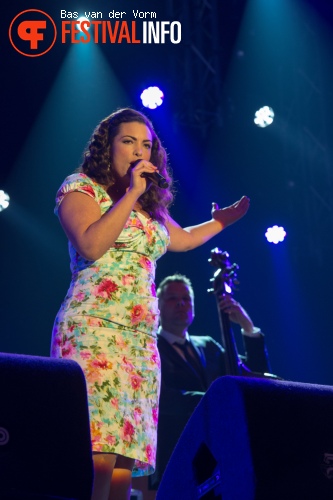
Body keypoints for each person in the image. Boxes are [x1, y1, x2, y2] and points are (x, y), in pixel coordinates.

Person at [50, 107, 250, 500]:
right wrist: (132, 194)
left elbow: (182, 239)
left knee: (127, 456)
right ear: (107, 147)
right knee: (97, 452)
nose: (140, 150)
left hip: (141, 345)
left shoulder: (148, 207)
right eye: (129, 141)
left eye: (147, 144)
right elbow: (91, 243)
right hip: (94, 330)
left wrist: (221, 222)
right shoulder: (82, 188)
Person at [149, 273, 271, 489]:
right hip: (175, 456)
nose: (180, 303)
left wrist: (247, 327)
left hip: (217, 455)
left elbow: (254, 376)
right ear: (157, 306)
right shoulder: (151, 347)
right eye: (172, 298)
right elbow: (162, 398)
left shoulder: (209, 346)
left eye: (186, 298)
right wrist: (215, 400)